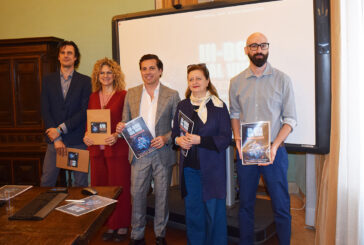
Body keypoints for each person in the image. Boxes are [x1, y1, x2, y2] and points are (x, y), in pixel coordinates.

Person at [229, 32, 297, 245]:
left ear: (268, 48)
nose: (259, 50)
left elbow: (291, 119)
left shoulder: (283, 79)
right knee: (246, 205)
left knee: (281, 206)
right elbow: (234, 114)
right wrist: (238, 143)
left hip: (274, 151)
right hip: (246, 152)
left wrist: (275, 146)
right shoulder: (236, 82)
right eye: (254, 46)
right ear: (246, 50)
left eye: (263, 45)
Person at [116, 54, 180, 245]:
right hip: (139, 153)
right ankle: (137, 235)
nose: (148, 72)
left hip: (162, 152)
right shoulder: (132, 93)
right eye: (144, 68)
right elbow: (125, 122)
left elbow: (177, 126)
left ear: (160, 71)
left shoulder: (172, 94)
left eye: (152, 68)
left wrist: (166, 138)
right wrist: (121, 127)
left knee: (162, 196)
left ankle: (160, 234)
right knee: (137, 194)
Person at [171, 64, 231, 245]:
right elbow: (175, 134)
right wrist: (177, 141)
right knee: (194, 214)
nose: (195, 82)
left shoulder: (219, 106)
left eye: (198, 78)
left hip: (212, 170)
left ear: (207, 81)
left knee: (215, 215)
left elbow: (225, 138)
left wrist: (200, 140)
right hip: (189, 170)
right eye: (191, 79)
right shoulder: (183, 105)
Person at [83, 58, 131, 242]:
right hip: (97, 151)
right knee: (101, 189)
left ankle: (122, 225)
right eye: (102, 73)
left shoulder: (123, 95)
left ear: (115, 75)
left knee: (120, 188)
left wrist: (118, 134)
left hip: (117, 149)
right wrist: (86, 134)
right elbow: (90, 122)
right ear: (97, 75)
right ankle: (109, 224)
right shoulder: (93, 97)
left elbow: (127, 121)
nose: (105, 76)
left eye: (109, 72)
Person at [40, 40, 91, 187]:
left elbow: (84, 112)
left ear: (76, 58)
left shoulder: (85, 81)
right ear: (58, 57)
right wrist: (56, 138)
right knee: (46, 182)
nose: (66, 55)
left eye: (70, 53)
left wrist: (59, 130)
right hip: (54, 142)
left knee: (80, 184)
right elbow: (45, 109)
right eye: (63, 53)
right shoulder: (48, 80)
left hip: (76, 139)